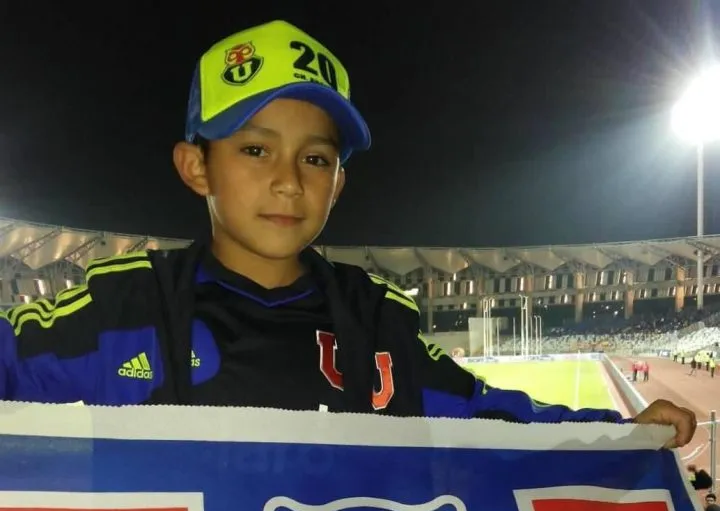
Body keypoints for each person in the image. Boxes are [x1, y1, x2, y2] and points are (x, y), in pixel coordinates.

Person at [0, 20, 695, 447]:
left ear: (339, 183)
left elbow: (492, 420)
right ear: (195, 167)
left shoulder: (377, 322)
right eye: (254, 149)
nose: (287, 180)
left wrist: (619, 437)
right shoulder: (124, 310)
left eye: (316, 158)